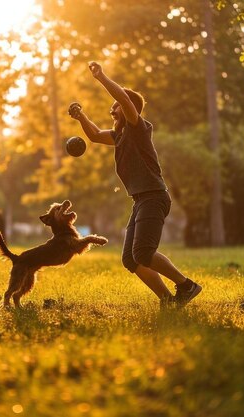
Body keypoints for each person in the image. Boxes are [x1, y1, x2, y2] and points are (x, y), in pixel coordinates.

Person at [68, 61, 202, 307]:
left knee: (143, 253)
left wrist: (101, 77)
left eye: (115, 106)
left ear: (128, 108)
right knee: (131, 260)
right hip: (141, 200)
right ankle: (168, 300)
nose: (112, 110)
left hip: (154, 197)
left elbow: (125, 100)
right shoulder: (119, 135)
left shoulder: (138, 128)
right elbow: (95, 135)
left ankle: (186, 285)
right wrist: (80, 116)